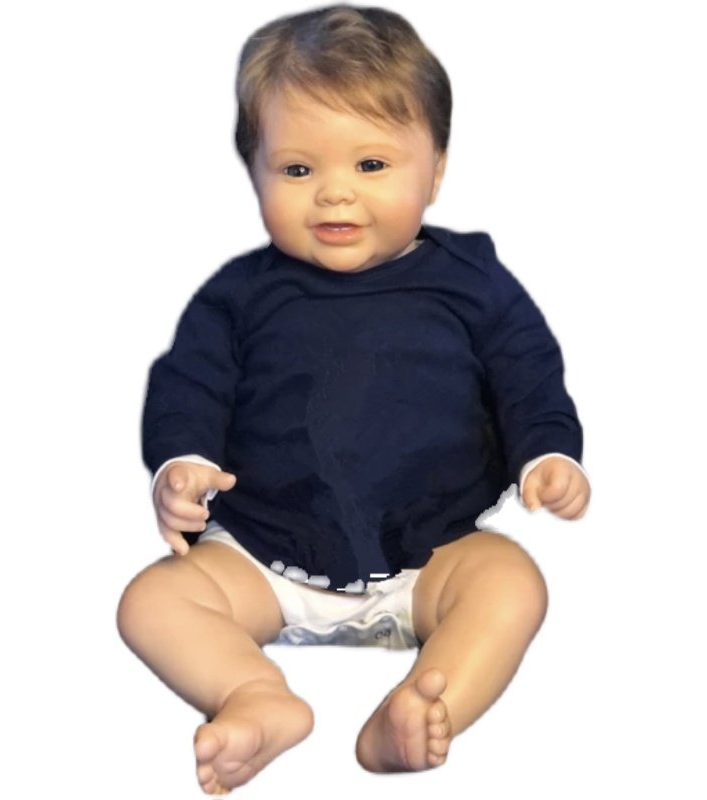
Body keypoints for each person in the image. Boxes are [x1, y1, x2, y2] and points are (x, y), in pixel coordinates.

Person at [117, 5, 591, 795]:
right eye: (297, 170)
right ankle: (254, 694)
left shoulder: (472, 284)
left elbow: (527, 371)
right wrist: (182, 462)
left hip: (430, 559)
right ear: (255, 170)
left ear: (435, 170)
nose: (334, 194)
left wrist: (547, 451)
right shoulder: (240, 295)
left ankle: (417, 711)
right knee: (150, 601)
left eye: (371, 165)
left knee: (511, 583)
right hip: (260, 558)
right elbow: (188, 382)